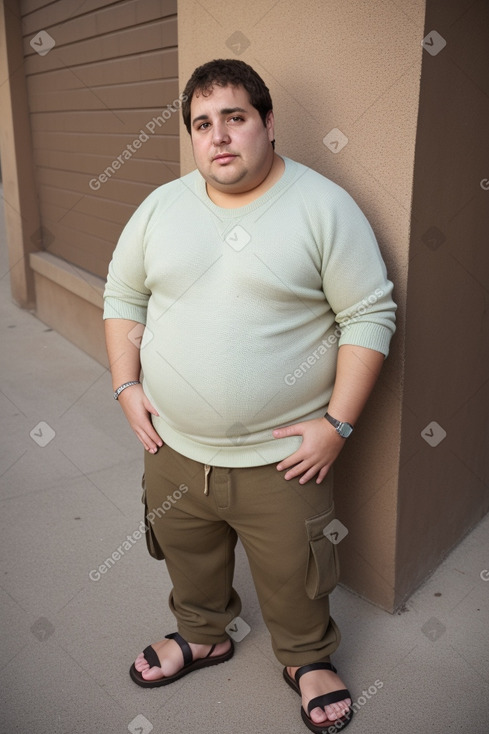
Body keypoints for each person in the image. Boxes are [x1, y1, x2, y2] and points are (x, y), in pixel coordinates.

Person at [103, 58, 396, 734]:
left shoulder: (322, 206)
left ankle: (305, 658)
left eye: (233, 117)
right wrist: (127, 385)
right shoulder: (161, 208)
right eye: (202, 124)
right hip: (172, 445)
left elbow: (368, 316)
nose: (219, 136)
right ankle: (202, 633)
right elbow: (122, 296)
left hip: (282, 458)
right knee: (185, 550)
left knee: (296, 569)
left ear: (266, 123)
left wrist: (337, 425)